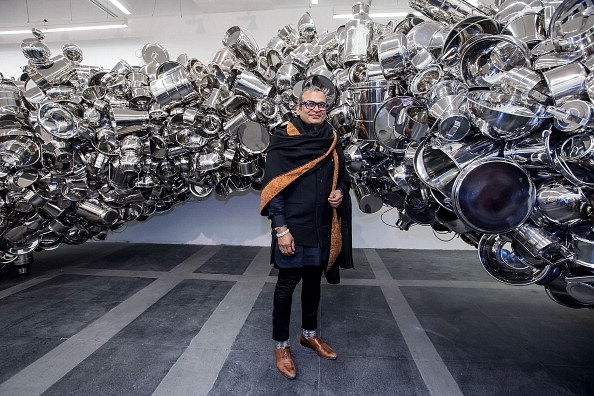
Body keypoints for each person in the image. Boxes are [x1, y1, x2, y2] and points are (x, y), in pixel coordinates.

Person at [259, 85, 352, 380]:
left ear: (327, 110)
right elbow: (273, 190)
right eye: (309, 104)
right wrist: (281, 229)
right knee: (286, 285)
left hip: (323, 225)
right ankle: (282, 345)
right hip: (293, 228)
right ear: (298, 107)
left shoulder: (331, 139)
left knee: (314, 281)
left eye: (321, 105)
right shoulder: (283, 140)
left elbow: (345, 179)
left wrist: (339, 191)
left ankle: (308, 335)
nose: (315, 109)